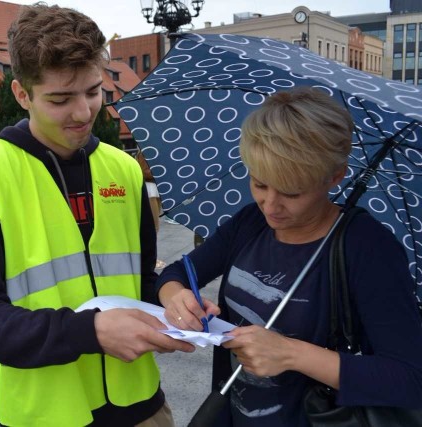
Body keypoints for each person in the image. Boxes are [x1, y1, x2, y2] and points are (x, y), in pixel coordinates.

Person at [0, 4, 194, 427]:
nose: (83, 113)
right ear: (22, 94)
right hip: (44, 415)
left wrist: (172, 295)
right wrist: (91, 332)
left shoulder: (123, 168)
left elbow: (143, 278)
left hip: (140, 406)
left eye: (94, 92)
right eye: (60, 99)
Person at [157, 87, 422, 426]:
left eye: (292, 192)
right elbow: (177, 272)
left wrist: (291, 354)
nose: (271, 205)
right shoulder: (250, 222)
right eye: (259, 183)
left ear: (334, 177)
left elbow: (409, 378)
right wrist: (177, 297)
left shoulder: (368, 248)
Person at [136, 150, 166, 268]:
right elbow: (144, 171)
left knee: (155, 227)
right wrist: (161, 173)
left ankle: (153, 257)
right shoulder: (144, 152)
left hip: (153, 189)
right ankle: (152, 258)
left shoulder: (151, 152)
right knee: (153, 226)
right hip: (150, 191)